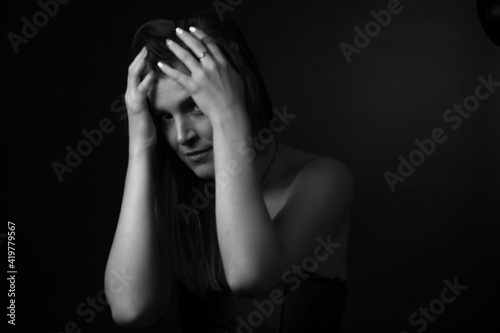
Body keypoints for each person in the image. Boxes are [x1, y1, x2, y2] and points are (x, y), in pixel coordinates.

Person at [104, 12, 353, 333]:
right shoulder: (180, 196)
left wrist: (228, 114)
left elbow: (250, 274)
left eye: (195, 105)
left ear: (236, 90)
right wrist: (140, 146)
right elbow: (130, 310)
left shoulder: (323, 178)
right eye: (164, 117)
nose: (182, 136)